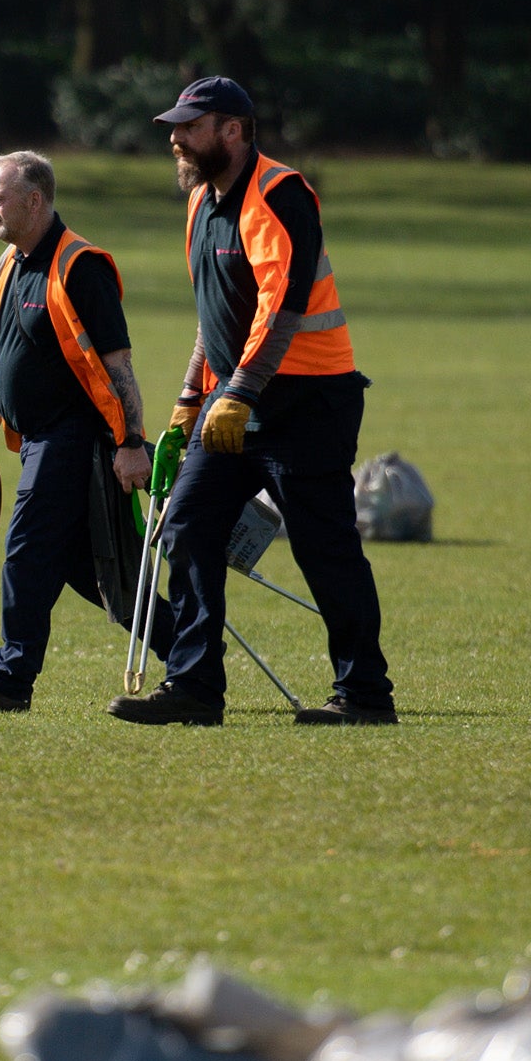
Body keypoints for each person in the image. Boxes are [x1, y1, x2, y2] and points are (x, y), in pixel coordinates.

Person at [123, 76, 395, 727]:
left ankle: (364, 695)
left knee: (323, 546)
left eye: (190, 127)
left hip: (306, 399)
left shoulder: (280, 194)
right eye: (174, 127)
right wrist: (193, 396)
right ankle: (193, 686)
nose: (176, 138)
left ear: (233, 131)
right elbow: (213, 316)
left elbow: (280, 309)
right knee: (187, 527)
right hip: (230, 403)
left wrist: (238, 392)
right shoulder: (200, 202)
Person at [0, 151, 174, 712]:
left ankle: (6, 684)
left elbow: (119, 365)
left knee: (26, 554)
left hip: (74, 439)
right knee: (87, 570)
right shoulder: (9, 263)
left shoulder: (80, 267)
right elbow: (5, 362)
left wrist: (131, 443)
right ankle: (193, 649)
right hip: (38, 442)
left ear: (35, 201)